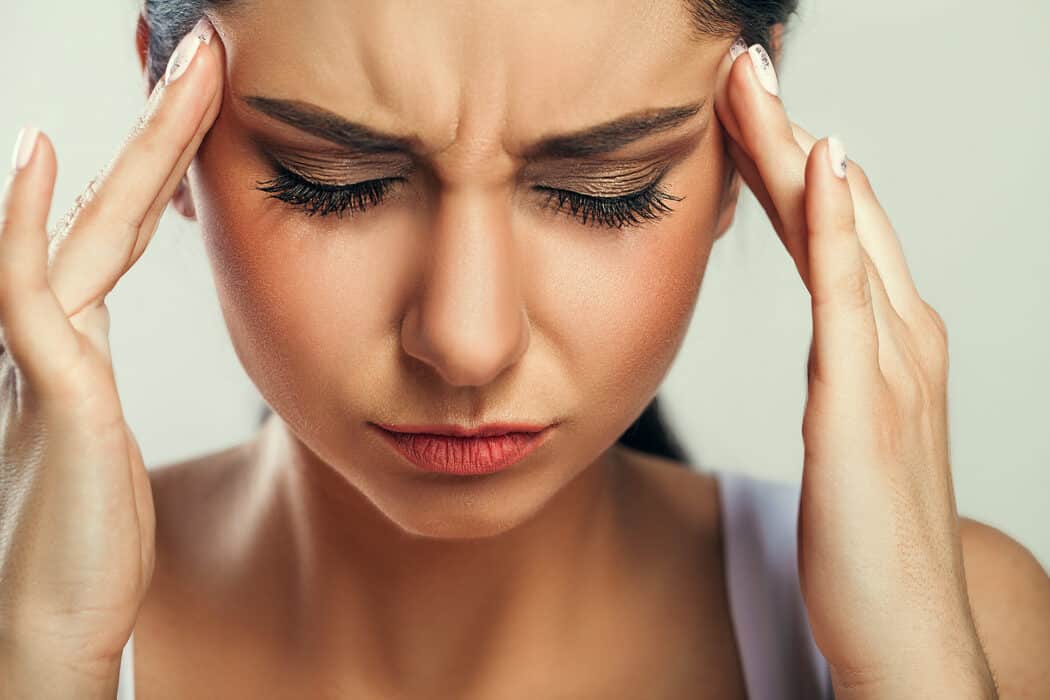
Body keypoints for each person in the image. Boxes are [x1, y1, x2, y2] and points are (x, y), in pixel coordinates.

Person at [2, 1, 1049, 698]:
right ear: (168, 123)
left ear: (746, 139)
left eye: (606, 187)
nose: (467, 341)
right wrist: (41, 659)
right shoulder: (24, 628)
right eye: (336, 178)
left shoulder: (965, 632)